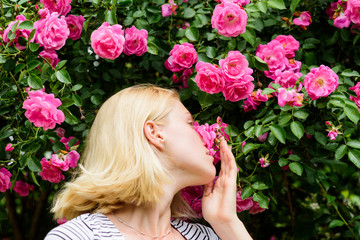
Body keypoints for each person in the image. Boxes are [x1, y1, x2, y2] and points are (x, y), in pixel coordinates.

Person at [44, 84, 252, 240]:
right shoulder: (79, 237)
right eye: (189, 123)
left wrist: (228, 223)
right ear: (154, 133)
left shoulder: (207, 237)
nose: (202, 134)